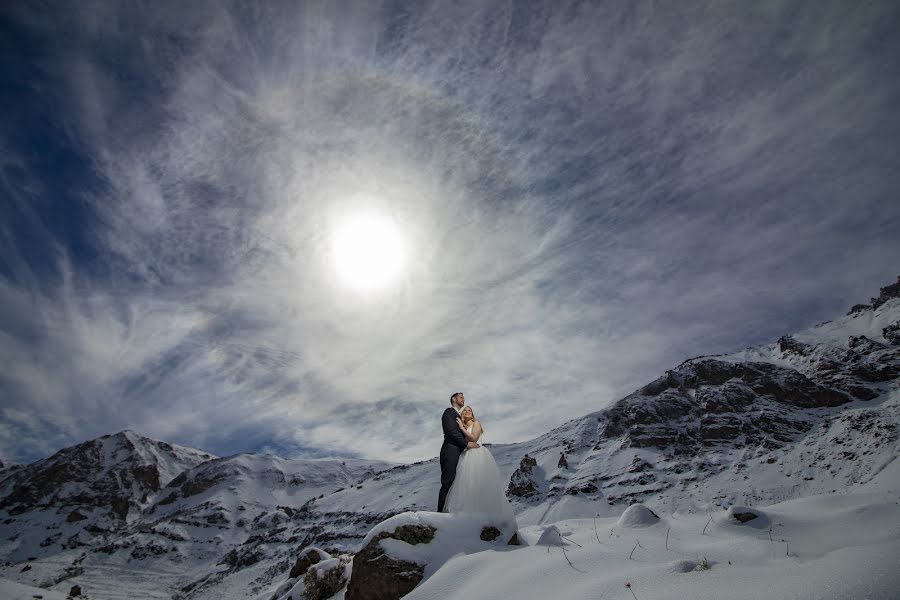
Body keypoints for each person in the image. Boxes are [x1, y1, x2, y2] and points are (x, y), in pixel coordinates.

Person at [443, 405, 517, 531]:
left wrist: (461, 427)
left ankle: (488, 520)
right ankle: (468, 520)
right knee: (466, 486)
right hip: (465, 456)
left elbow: (474, 438)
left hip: (478, 455)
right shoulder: (463, 427)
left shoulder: (476, 423)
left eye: (469, 410)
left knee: (479, 484)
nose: (467, 411)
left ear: (472, 414)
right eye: (464, 410)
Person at [437, 392, 475, 512]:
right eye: (461, 397)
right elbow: (451, 432)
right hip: (450, 450)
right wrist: (467, 444)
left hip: (460, 453)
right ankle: (440, 512)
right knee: (448, 481)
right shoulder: (449, 412)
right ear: (453, 399)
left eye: (464, 397)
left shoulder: (460, 417)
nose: (463, 399)